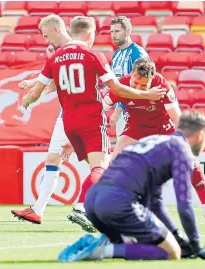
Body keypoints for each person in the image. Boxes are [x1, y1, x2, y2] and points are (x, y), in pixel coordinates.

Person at [20, 16, 166, 228]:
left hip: (68, 122)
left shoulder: (56, 57)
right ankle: (82, 208)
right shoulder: (93, 55)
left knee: (99, 170)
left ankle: (109, 207)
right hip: (91, 120)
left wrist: (26, 101)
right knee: (102, 168)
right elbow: (116, 89)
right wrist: (146, 95)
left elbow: (35, 93)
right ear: (89, 34)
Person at [57, 111, 205, 262]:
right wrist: (196, 245)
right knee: (172, 252)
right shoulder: (182, 150)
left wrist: (178, 237)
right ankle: (102, 250)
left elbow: (155, 203)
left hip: (92, 202)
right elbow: (185, 204)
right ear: (200, 135)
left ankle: (94, 241)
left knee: (137, 241)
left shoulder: (155, 141)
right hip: (117, 204)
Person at [102, 58, 205, 229]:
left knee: (190, 161)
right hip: (136, 127)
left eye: (143, 86)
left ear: (152, 81)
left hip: (162, 126)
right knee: (115, 158)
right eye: (135, 82)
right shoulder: (120, 85)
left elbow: (177, 119)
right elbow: (99, 107)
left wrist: (183, 144)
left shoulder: (162, 86)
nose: (137, 88)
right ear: (132, 74)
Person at [70, 16, 151, 226]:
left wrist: (118, 109)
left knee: (120, 161)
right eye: (111, 31)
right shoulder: (116, 56)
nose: (113, 35)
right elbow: (114, 86)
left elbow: (139, 85)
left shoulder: (137, 54)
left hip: (135, 114)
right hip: (122, 114)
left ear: (128, 31)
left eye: (117, 31)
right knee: (115, 162)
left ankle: (105, 205)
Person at [11, 14, 78, 226]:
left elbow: (46, 85)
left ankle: (91, 208)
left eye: (47, 35)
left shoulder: (78, 50)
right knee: (52, 159)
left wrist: (30, 95)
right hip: (65, 115)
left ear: (57, 29)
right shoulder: (58, 55)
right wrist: (33, 84)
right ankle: (37, 210)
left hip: (84, 116)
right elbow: (50, 83)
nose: (45, 40)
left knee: (97, 163)